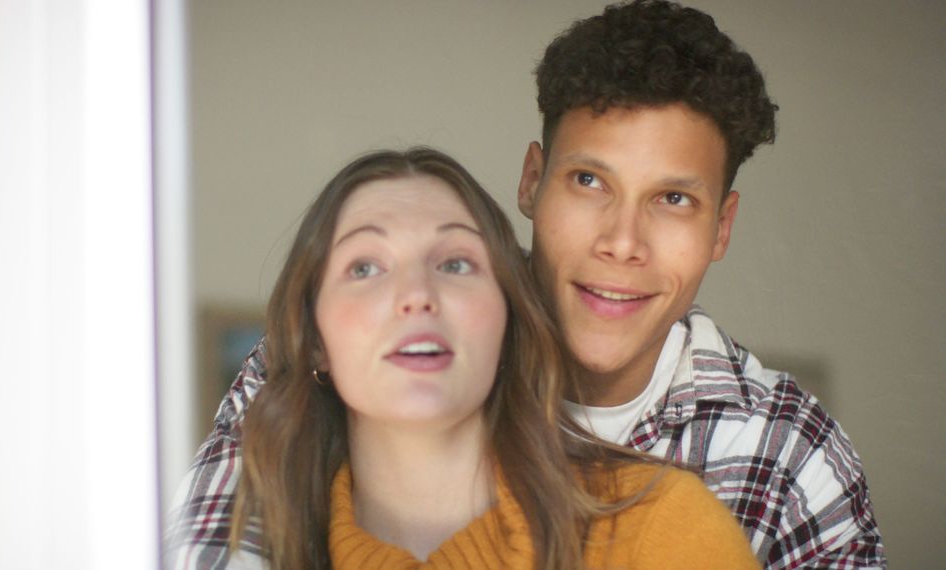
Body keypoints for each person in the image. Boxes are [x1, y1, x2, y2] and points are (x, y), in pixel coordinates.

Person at [170, 1, 885, 568]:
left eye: (673, 200)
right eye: (588, 181)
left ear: (722, 227)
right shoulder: (345, 359)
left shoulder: (790, 453)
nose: (622, 243)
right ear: (531, 180)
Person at [167, 147, 758, 569]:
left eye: (455, 263)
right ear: (316, 339)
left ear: (508, 318)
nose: (416, 295)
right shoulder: (252, 545)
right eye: (365, 267)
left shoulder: (664, 529)